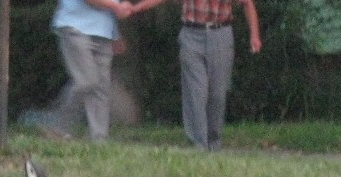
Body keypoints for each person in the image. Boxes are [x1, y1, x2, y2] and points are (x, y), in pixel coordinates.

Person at [131, 0, 261, 150]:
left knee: (217, 94)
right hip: (191, 35)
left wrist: (255, 35)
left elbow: (247, 3)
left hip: (221, 34)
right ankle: (199, 143)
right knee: (196, 91)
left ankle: (214, 141)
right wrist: (137, 8)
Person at [52, 0, 134, 141]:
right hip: (75, 26)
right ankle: (57, 126)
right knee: (86, 81)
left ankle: (99, 138)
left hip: (103, 32)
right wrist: (117, 7)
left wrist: (115, 34)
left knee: (102, 87)